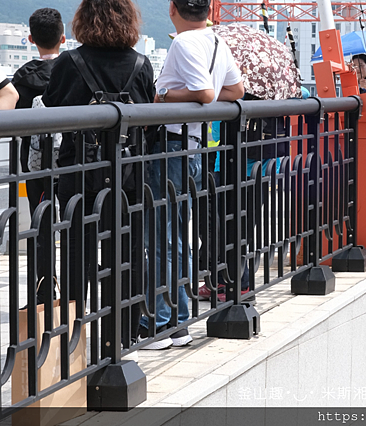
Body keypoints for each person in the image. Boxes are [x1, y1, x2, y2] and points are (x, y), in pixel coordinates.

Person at [42, 0, 155, 346]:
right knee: (128, 255)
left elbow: (51, 104)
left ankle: (74, 340)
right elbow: (148, 116)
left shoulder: (69, 63)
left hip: (79, 175)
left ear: (83, 21)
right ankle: (121, 337)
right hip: (128, 177)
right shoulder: (141, 64)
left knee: (77, 256)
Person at [140, 0, 244, 349]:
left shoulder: (183, 42)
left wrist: (164, 95)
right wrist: (201, 98)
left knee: (160, 239)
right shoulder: (216, 41)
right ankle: (179, 321)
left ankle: (161, 323)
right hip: (195, 148)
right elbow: (235, 92)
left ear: (173, 9)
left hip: (171, 146)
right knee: (177, 237)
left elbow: (204, 93)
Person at [12, 8, 65, 304]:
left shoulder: (23, 76)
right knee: (74, 215)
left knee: (40, 221)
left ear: (31, 38)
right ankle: (74, 285)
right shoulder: (71, 70)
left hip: (35, 164)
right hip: (71, 157)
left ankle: (44, 286)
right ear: (63, 36)